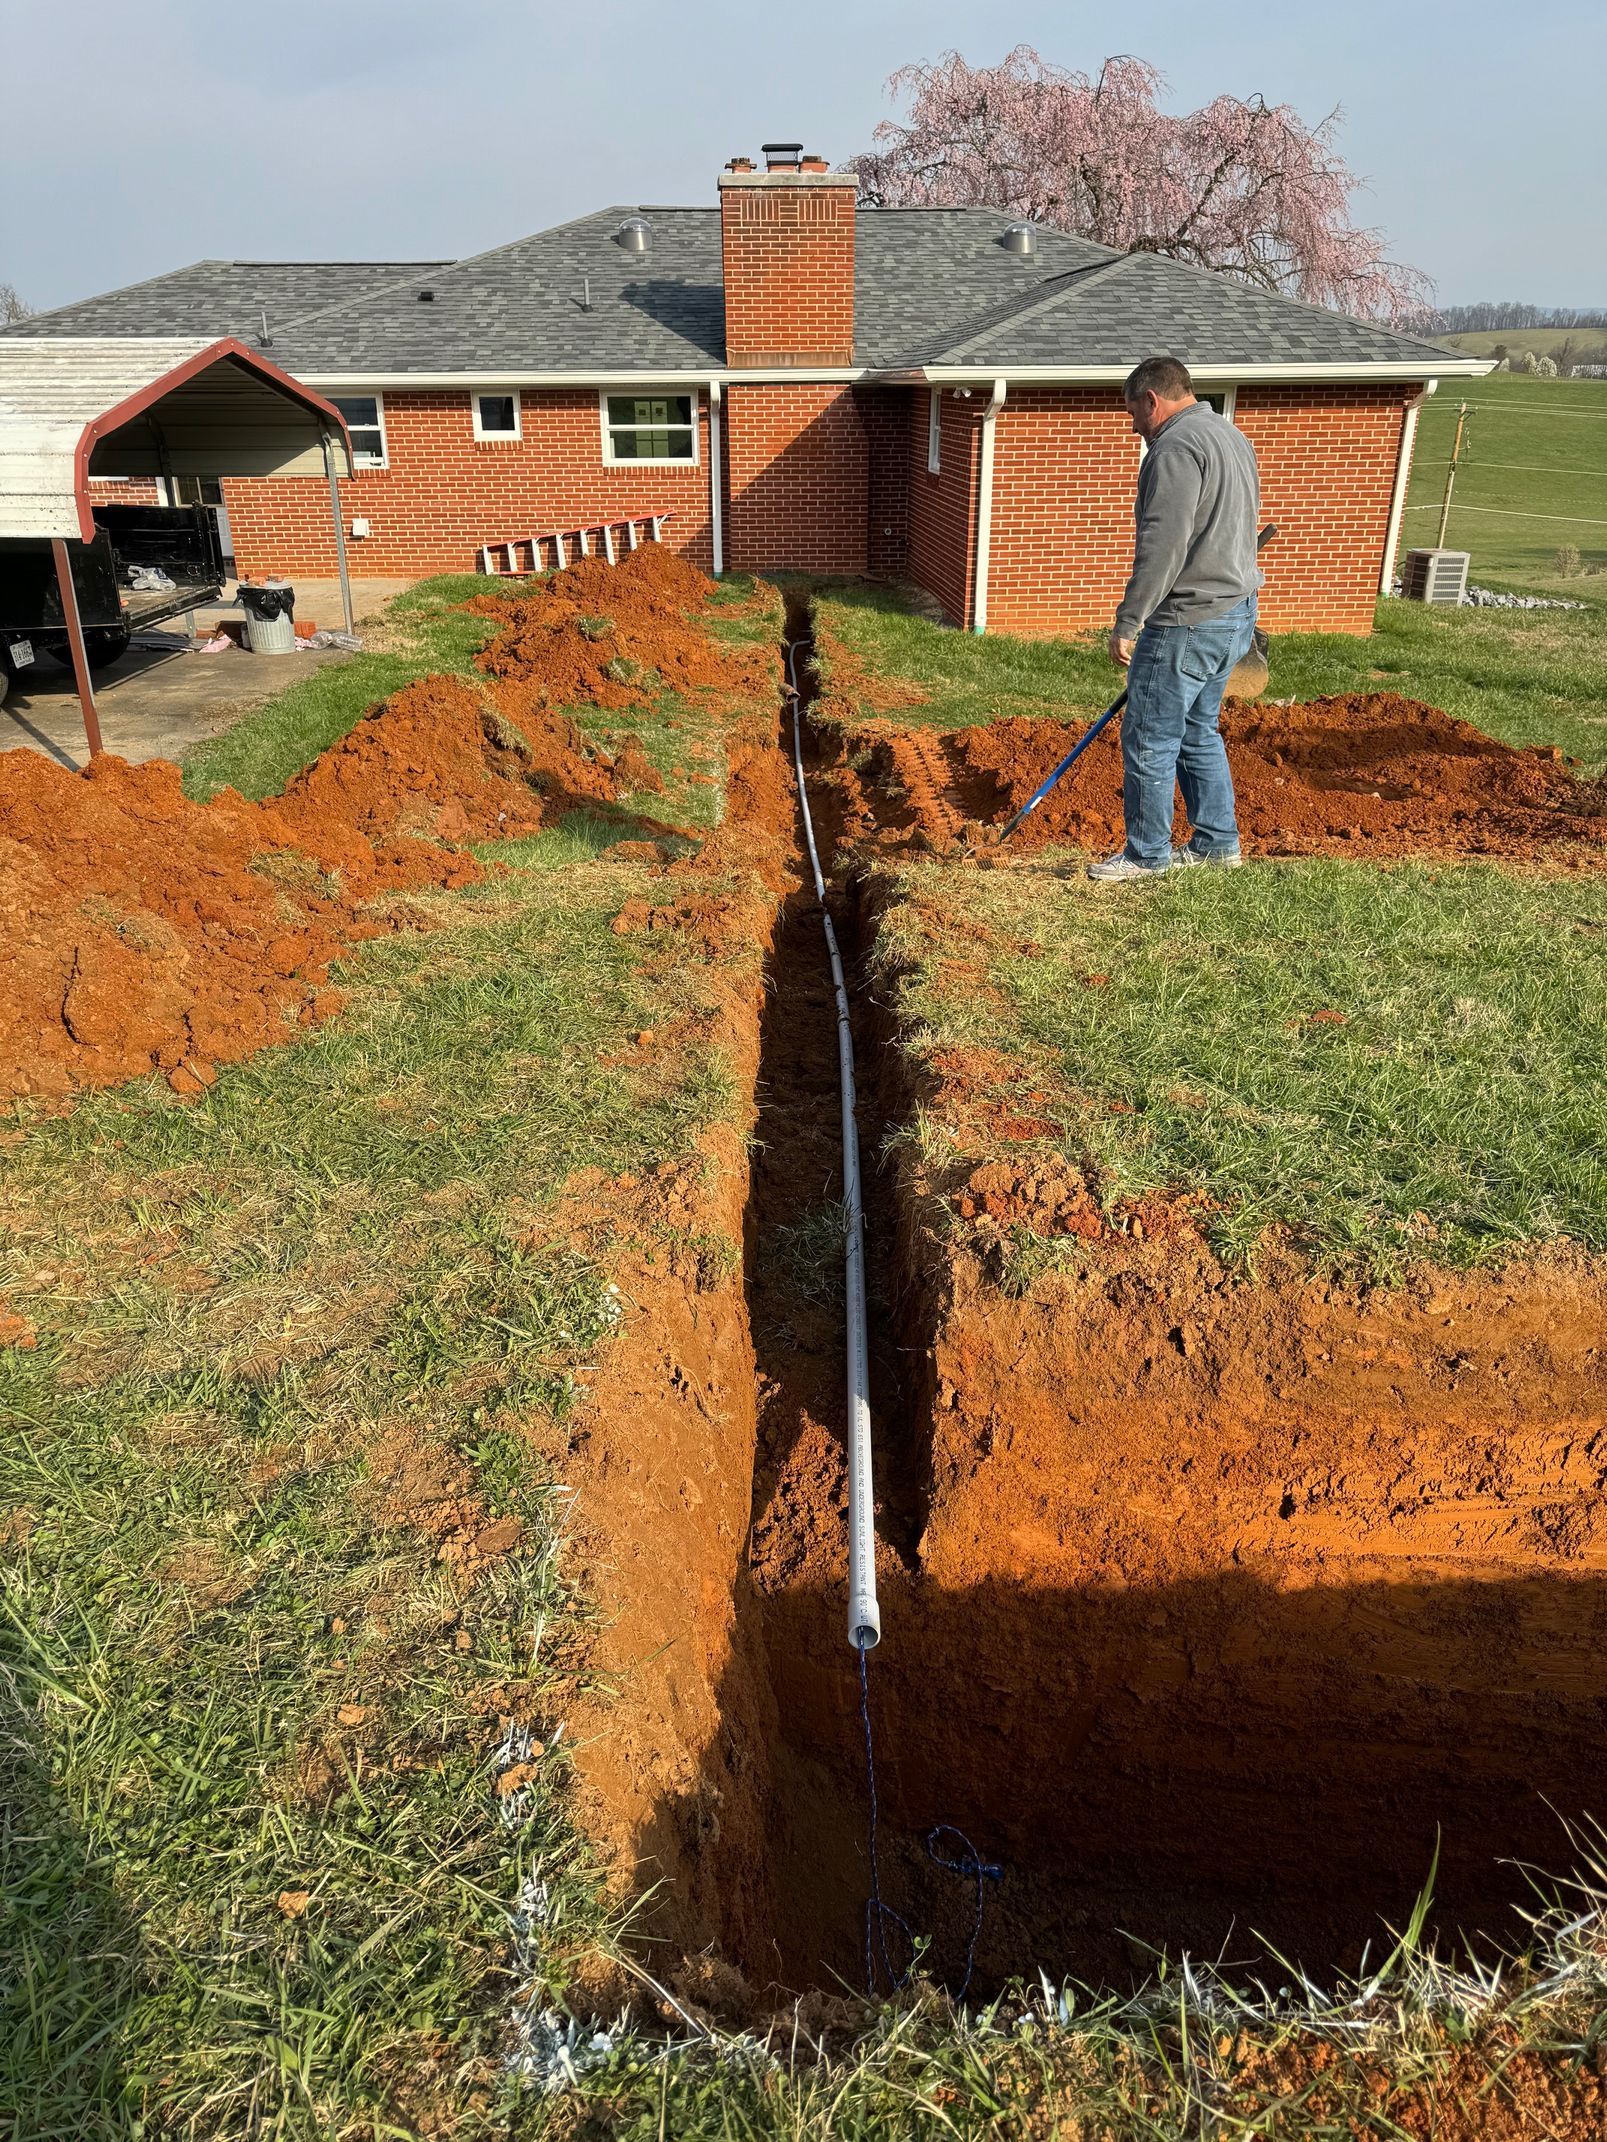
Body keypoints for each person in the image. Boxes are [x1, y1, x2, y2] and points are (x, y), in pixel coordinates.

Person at [1088, 355, 1262, 883]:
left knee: (1149, 737)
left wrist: (1129, 619)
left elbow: (1163, 545)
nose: (1134, 426)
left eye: (1133, 414)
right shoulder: (1229, 436)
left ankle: (1146, 855)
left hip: (1187, 619)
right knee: (1197, 729)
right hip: (1235, 611)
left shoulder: (1174, 449)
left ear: (1151, 401)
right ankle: (1216, 843)